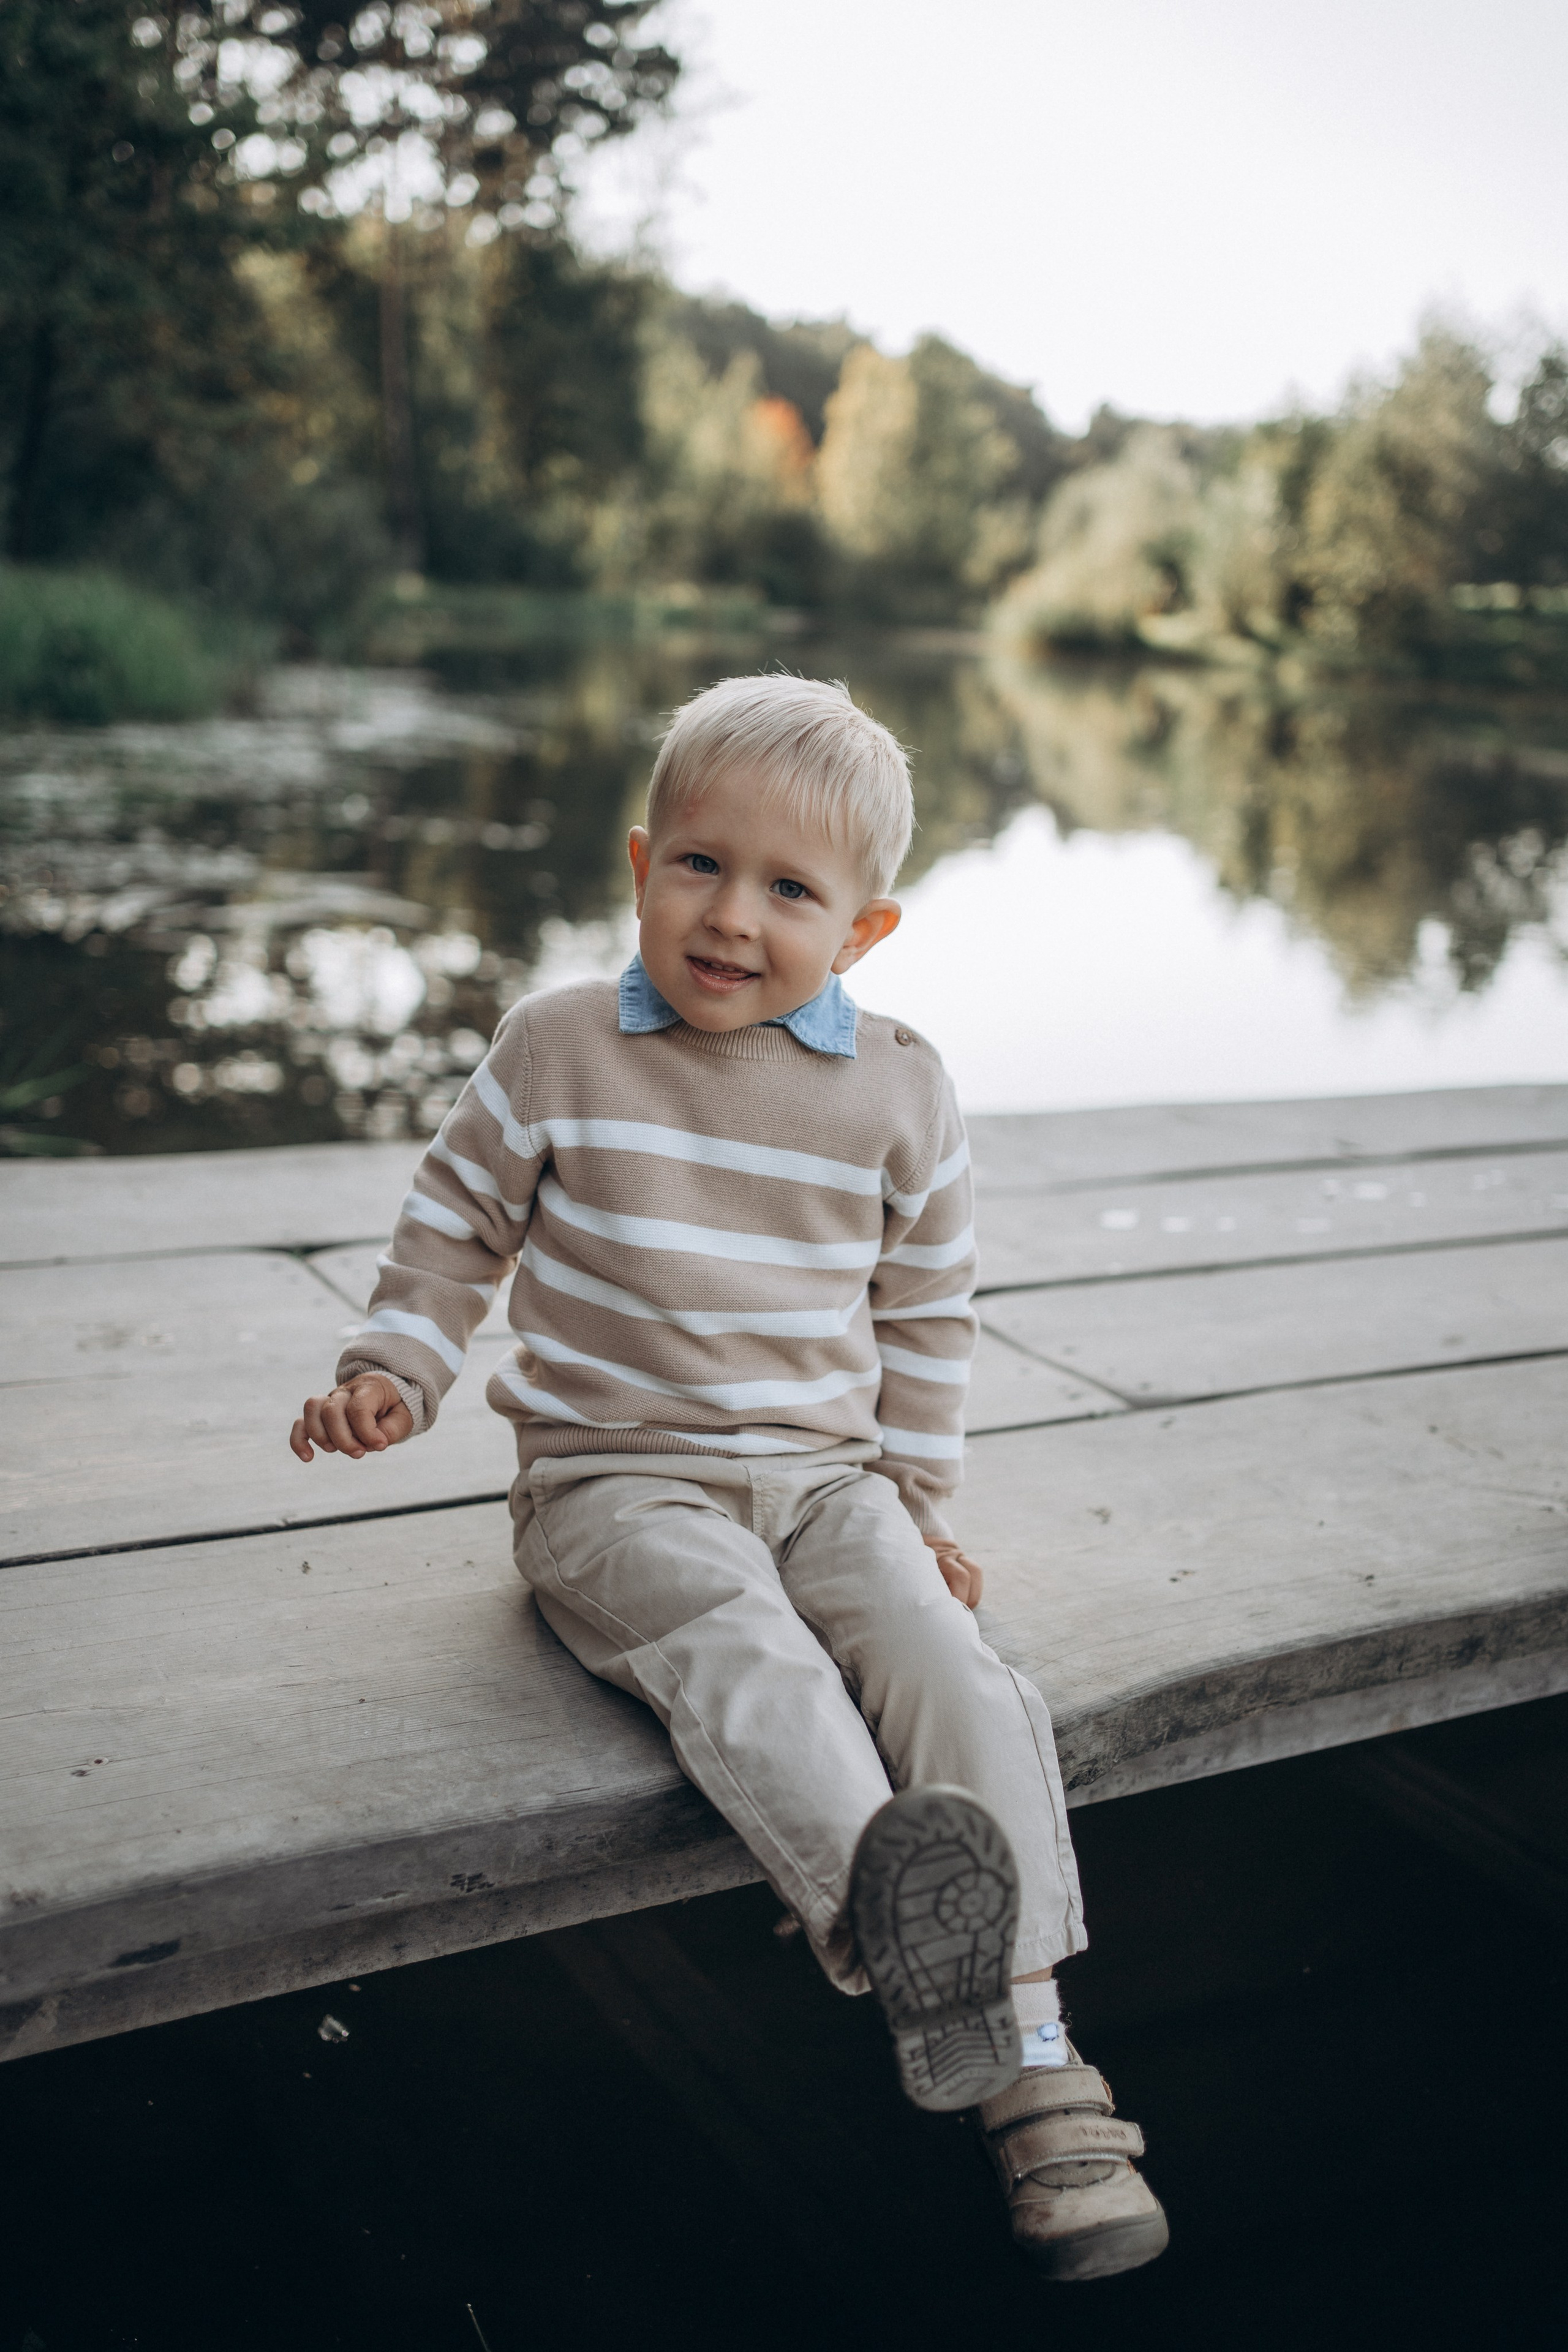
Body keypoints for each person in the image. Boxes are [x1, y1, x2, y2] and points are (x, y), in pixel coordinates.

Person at [288, 674, 1167, 2282]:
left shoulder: (898, 1085)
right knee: (753, 1661)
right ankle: (934, 1975)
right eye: (699, 864)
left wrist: (915, 1493)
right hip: (619, 1490)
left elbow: (929, 1303)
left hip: (830, 1486)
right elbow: (451, 1232)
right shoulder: (558, 1048)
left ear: (867, 931)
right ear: (641, 864)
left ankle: (1032, 2048)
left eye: (788, 890)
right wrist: (393, 1369)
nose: (730, 916)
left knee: (947, 1667)